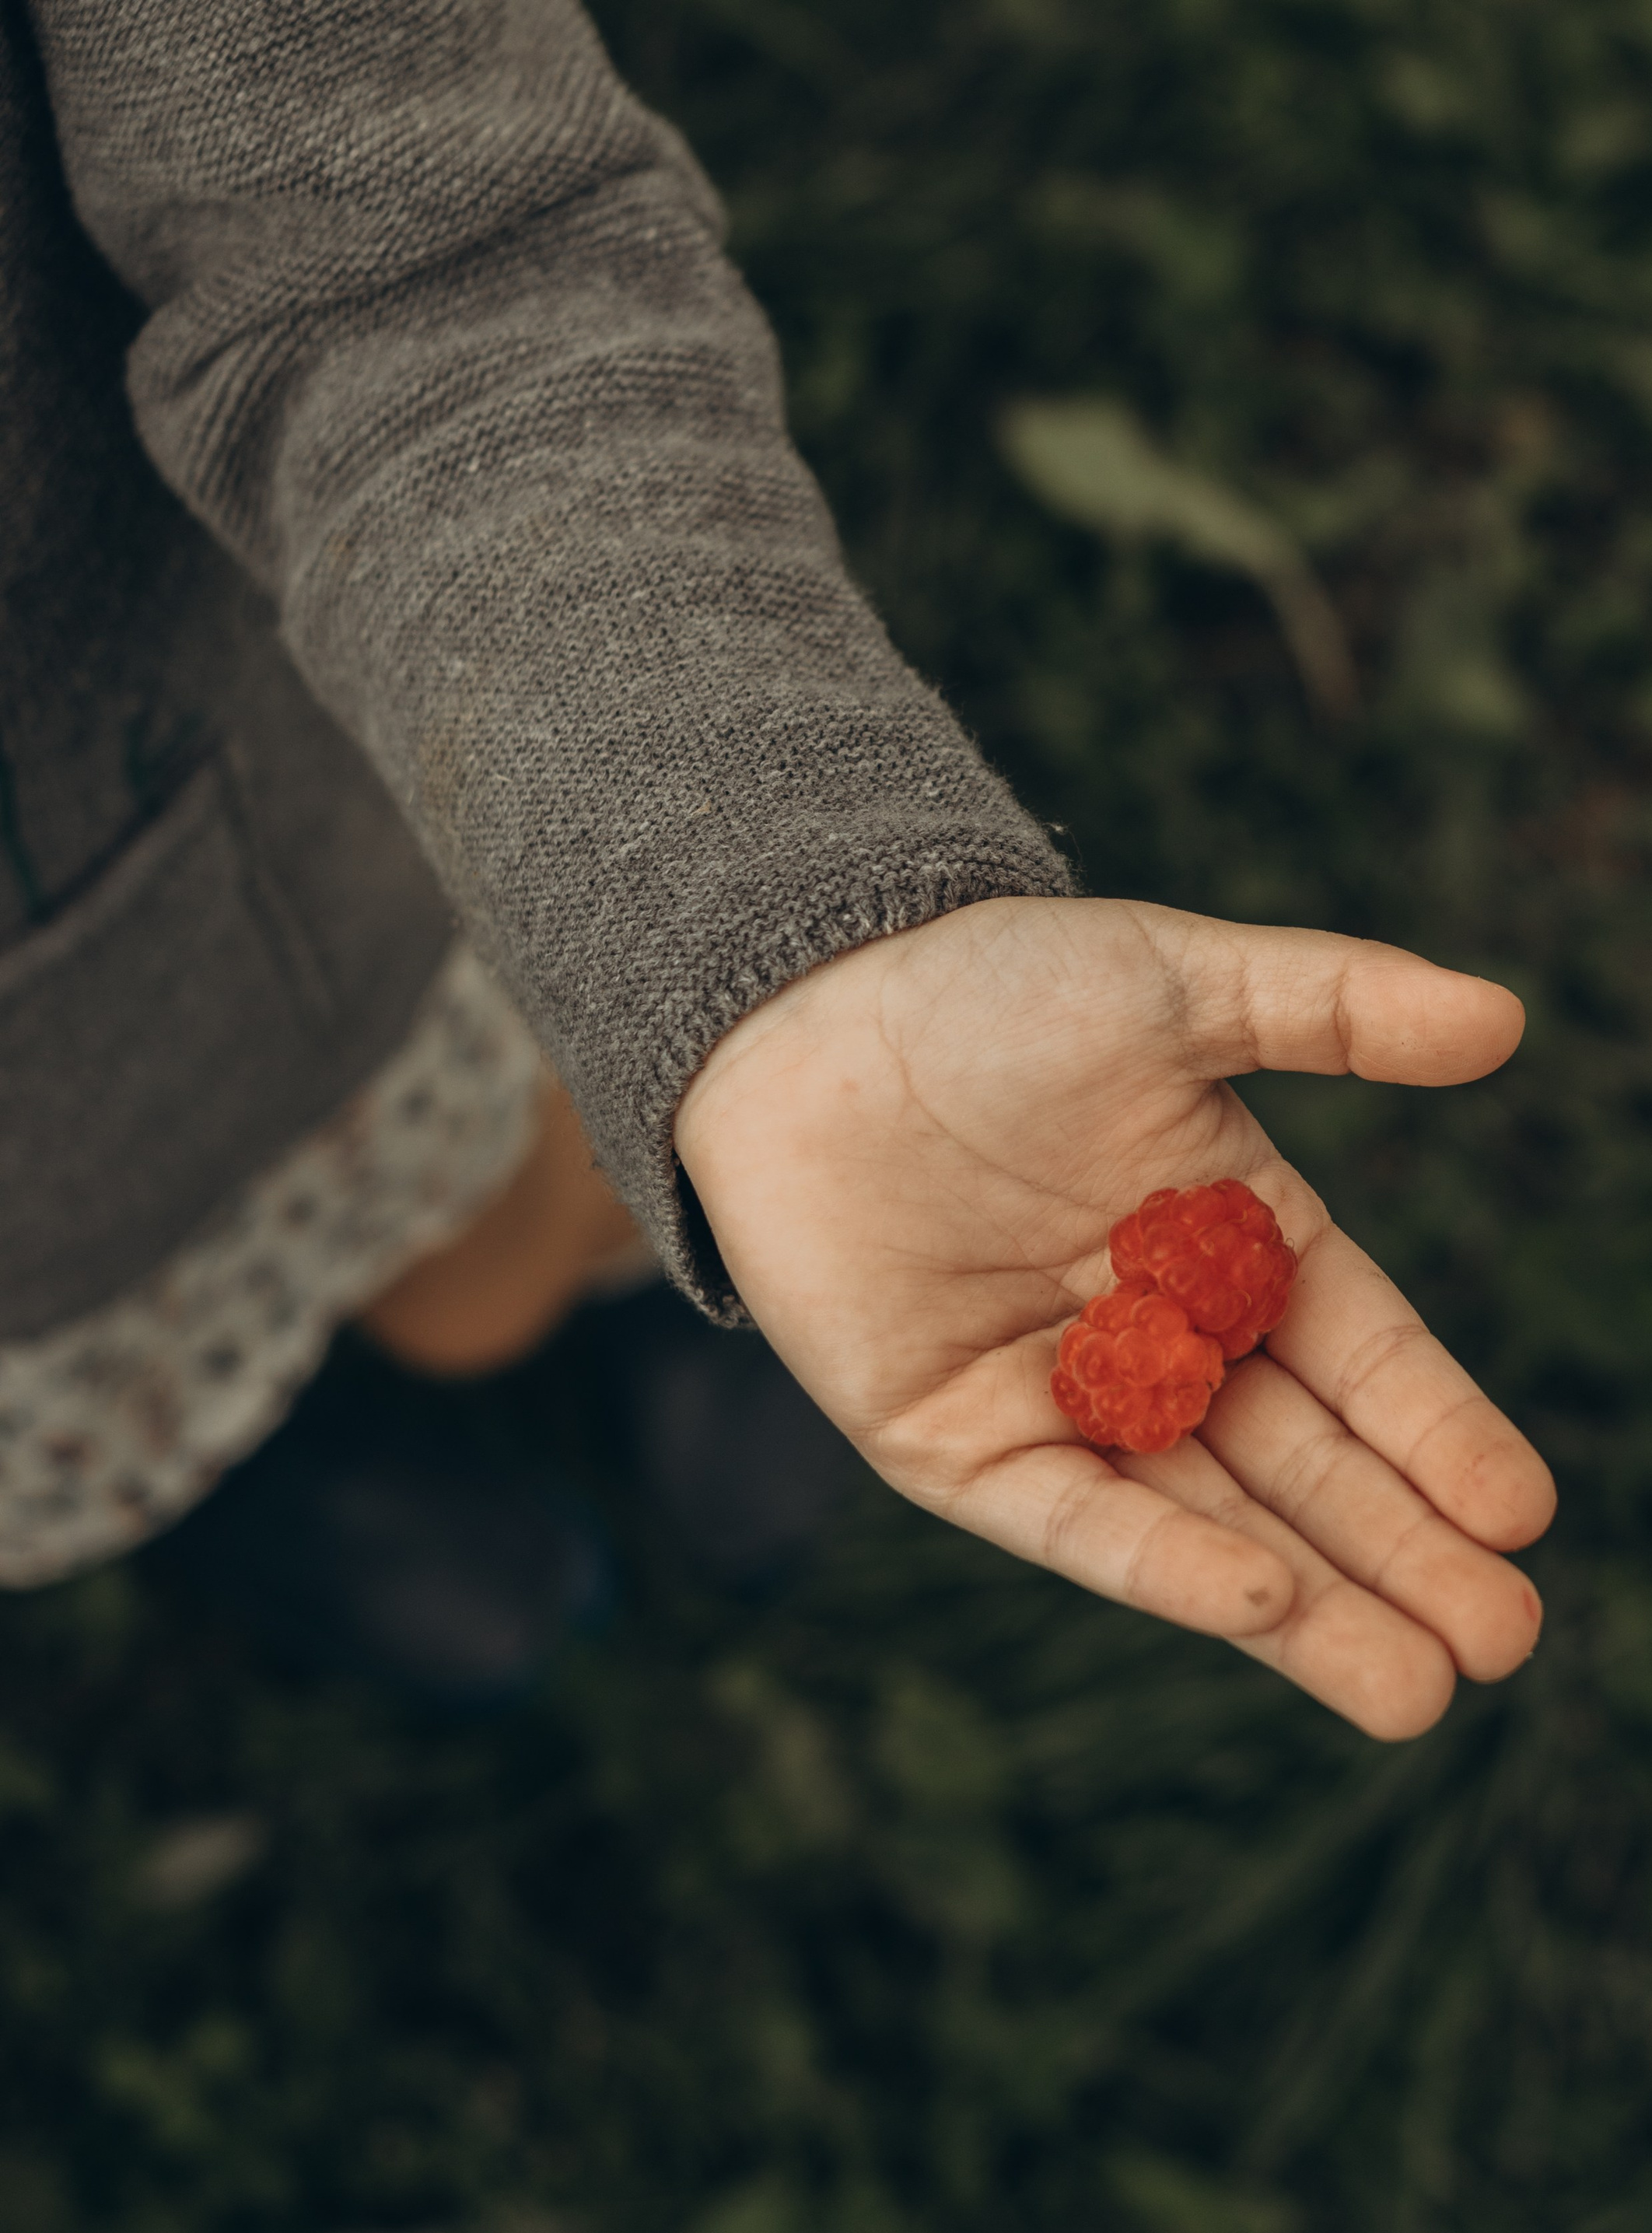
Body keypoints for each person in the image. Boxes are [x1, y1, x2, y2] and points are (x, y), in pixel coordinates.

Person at [0, 0, 1553, 1736]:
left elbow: (416, 270)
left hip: (275, 905)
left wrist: (757, 925)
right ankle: (274, 1453)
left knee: (486, 1234)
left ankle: (664, 1255)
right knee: (156, 1392)